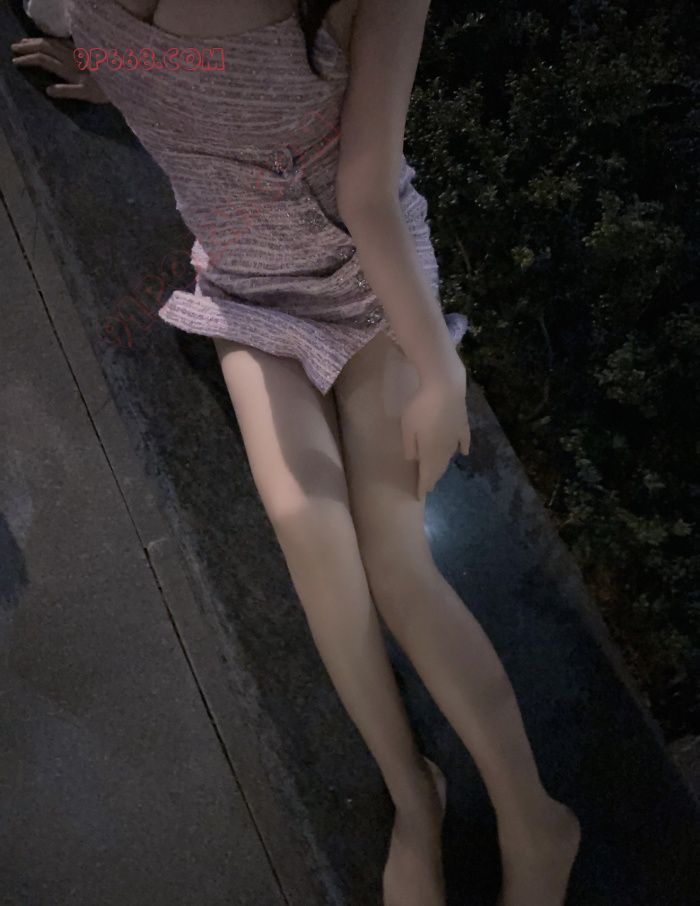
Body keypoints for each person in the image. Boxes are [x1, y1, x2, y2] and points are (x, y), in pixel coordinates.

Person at [11, 2, 582, 904]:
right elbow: (187, 68)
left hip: (363, 277)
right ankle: (413, 796)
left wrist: (438, 370)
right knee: (302, 521)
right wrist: (118, 73)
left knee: (395, 563)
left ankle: (534, 818)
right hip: (245, 283)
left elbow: (367, 190)